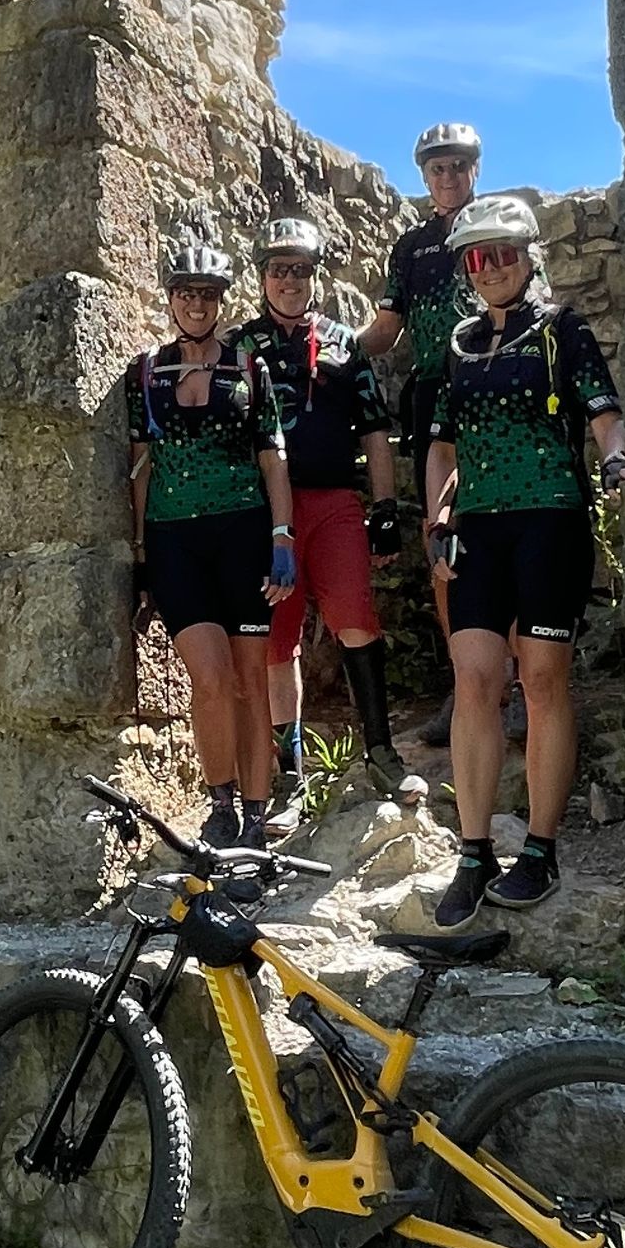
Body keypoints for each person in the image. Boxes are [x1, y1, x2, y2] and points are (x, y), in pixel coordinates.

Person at [420, 194, 625, 926]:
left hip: (551, 520)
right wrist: (436, 523)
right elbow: (440, 445)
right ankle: (473, 850)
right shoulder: (456, 345)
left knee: (545, 679)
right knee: (474, 680)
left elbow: (602, 414)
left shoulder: (561, 328)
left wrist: (617, 462)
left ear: (528, 258)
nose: (491, 267)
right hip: (479, 530)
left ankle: (543, 849)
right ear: (466, 267)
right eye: (478, 256)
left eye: (504, 254)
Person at [129, 241, 297, 850]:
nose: (196, 304)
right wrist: (140, 552)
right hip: (177, 540)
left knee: (251, 680)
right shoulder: (146, 371)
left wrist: (283, 536)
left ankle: (255, 811)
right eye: (185, 293)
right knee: (210, 678)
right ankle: (219, 801)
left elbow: (272, 457)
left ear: (221, 302)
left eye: (207, 294)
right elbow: (140, 464)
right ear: (170, 299)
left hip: (244, 532)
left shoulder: (249, 367)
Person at [230, 216, 400, 807]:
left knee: (355, 617)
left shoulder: (342, 341)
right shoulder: (240, 346)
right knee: (279, 642)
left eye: (300, 270)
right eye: (278, 270)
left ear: (314, 276)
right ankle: (289, 769)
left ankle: (381, 750)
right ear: (262, 277)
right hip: (266, 512)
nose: (289, 281)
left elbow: (375, 428)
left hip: (333, 502)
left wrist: (385, 507)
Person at [361, 121, 482, 748]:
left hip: (495, 393)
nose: (448, 177)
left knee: (497, 526)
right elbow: (388, 330)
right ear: (424, 176)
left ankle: (511, 684)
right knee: (443, 537)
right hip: (433, 395)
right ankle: (468, 685)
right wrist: (334, 353)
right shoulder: (410, 249)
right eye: (437, 168)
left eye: (458, 166)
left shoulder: (499, 228)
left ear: (474, 171)